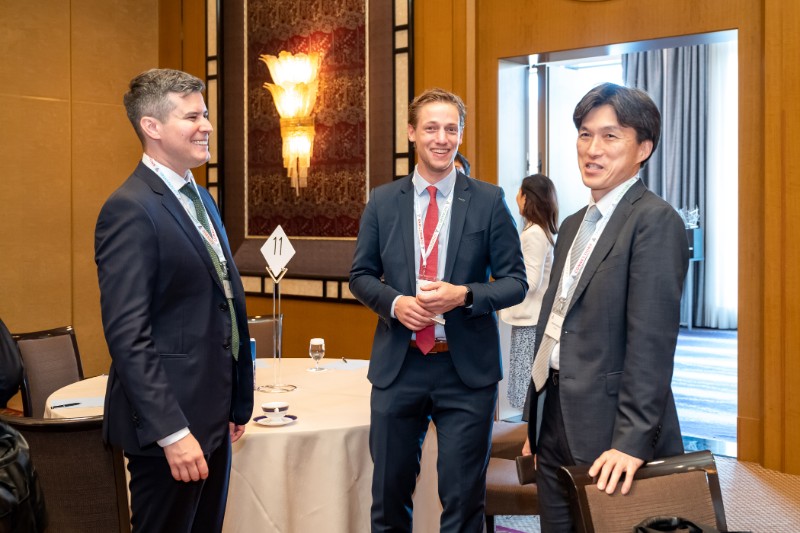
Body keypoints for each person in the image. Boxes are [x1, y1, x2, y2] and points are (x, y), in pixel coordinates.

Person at [349, 87, 527, 532]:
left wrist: (464, 295)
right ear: (412, 132)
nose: (442, 138)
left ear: (461, 133)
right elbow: (361, 276)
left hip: (466, 373)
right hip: (399, 366)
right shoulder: (382, 201)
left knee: (463, 504)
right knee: (388, 499)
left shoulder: (488, 200)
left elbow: (516, 282)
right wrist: (394, 303)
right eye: (431, 128)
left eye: (451, 128)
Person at [523, 82, 690, 532]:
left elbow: (651, 343)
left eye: (610, 136)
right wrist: (534, 420)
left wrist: (633, 441)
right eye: (585, 134)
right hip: (554, 411)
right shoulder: (574, 223)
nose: (592, 149)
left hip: (610, 425)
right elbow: (554, 319)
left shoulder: (655, 220)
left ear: (643, 149)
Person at [95, 68, 254, 532]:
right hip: (170, 428)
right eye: (192, 117)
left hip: (212, 416)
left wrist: (234, 403)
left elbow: (221, 302)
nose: (206, 126)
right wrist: (172, 432)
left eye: (205, 114)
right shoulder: (130, 208)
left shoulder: (200, 198)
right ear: (152, 126)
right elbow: (129, 335)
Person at [498, 174, 558, 410]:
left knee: (526, 390)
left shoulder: (533, 234)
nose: (516, 197)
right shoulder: (539, 230)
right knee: (527, 388)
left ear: (527, 197)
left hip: (530, 322)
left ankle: (530, 433)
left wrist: (503, 280)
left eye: (519, 192)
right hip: (532, 319)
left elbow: (530, 282)